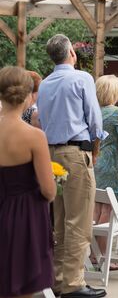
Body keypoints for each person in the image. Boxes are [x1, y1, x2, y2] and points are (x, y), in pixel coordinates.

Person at [37, 34, 106, 298]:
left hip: (51, 153)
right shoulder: (81, 78)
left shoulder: (44, 84)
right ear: (71, 54)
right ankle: (73, 283)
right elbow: (95, 121)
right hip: (75, 151)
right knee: (78, 221)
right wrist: (95, 150)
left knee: (60, 220)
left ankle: (59, 279)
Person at [0, 67, 56, 298]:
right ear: (28, 95)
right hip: (25, 216)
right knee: (23, 285)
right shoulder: (34, 136)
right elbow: (49, 190)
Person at [92, 75, 118, 271]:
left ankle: (93, 255)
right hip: (113, 165)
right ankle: (104, 257)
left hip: (97, 162)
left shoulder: (93, 112)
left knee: (97, 209)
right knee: (107, 213)